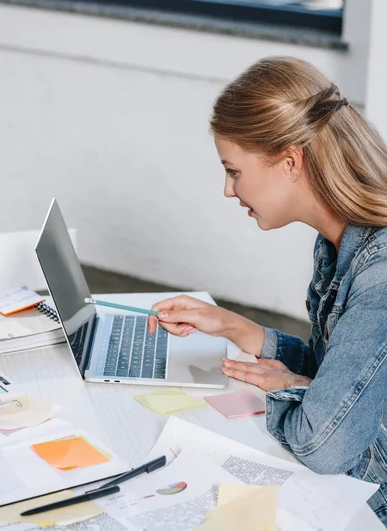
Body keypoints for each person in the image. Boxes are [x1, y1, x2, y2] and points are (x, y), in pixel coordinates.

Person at [148, 57, 387, 525]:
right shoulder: (339, 244)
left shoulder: (379, 271)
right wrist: (237, 328)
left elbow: (323, 442)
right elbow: (345, 375)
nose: (227, 189)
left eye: (234, 171)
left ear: (291, 162)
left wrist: (298, 389)